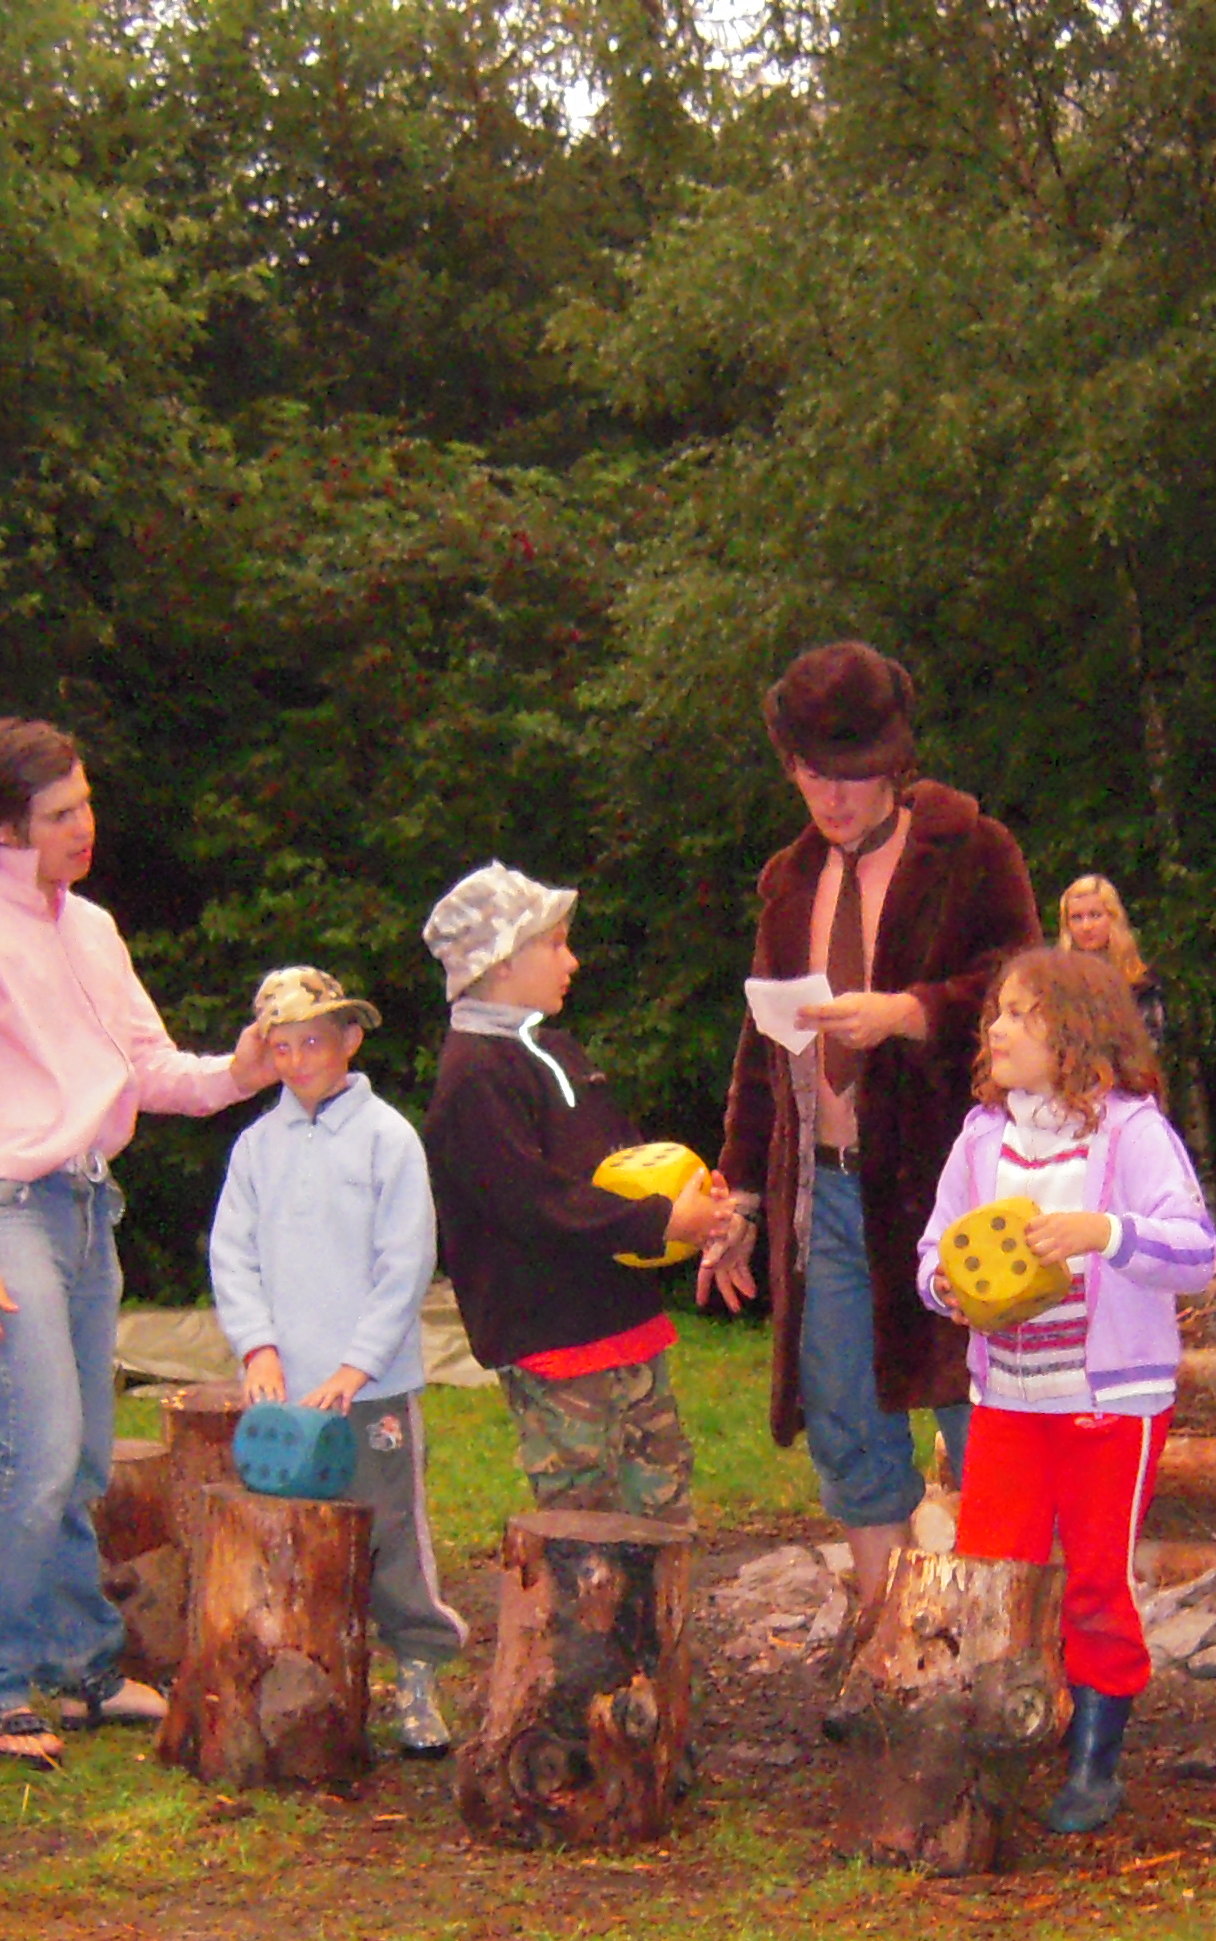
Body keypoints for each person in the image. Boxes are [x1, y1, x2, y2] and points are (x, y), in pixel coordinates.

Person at [0, 718, 274, 1771]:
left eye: (86, 803)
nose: (84, 826)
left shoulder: (92, 929)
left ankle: (81, 1668)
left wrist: (240, 1070)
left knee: (87, 1455)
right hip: (2, 1209)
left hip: (87, 1207)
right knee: (37, 1447)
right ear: (1, 830)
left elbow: (145, 1067)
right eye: (60, 814)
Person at [701, 642, 1040, 1613]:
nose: (831, 798)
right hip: (827, 1191)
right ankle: (890, 1631)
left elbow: (1029, 991)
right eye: (811, 775)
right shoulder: (788, 881)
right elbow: (761, 1051)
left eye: (849, 775)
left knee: (980, 1408)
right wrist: (742, 1197)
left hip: (956, 1189)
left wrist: (913, 1012)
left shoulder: (973, 852)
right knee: (845, 1412)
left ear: (893, 763)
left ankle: (1013, 1632)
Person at [914, 950, 1216, 1834]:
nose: (997, 1028)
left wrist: (1105, 1232)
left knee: (1094, 1581)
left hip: (1109, 1403)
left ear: (1077, 1033)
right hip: (1007, 1401)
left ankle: (1094, 1762)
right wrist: (946, 1288)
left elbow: (1196, 1252)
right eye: (996, 1014)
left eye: (1021, 1013)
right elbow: (934, 1251)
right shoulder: (981, 1138)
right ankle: (1001, 1736)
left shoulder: (1133, 1133)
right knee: (992, 1572)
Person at [206, 966, 464, 1757]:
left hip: (370, 1390)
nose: (297, 1061)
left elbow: (405, 1262)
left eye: (313, 1042)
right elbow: (232, 1254)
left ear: (350, 1038)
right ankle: (303, 1680)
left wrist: (358, 1366)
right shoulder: (256, 1147)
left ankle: (417, 1673)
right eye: (280, 1047)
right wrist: (258, 1346)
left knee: (389, 1535)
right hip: (282, 1393)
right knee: (287, 1538)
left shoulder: (387, 1138)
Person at [422, 862, 727, 1519]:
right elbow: (534, 1202)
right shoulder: (474, 1076)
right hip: (553, 1338)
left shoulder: (558, 1049)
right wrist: (660, 1221)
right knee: (583, 1526)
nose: (573, 962)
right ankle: (587, 1595)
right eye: (556, 944)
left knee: (662, 1503)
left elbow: (621, 1163)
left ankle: (657, 1591)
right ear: (502, 960)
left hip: (622, 1319)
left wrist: (692, 1196)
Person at [1057, 873, 1167, 1049]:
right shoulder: (1057, 981)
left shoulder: (1140, 983)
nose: (1086, 926)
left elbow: (1149, 1046)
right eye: (1076, 918)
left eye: (1095, 915)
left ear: (1112, 918)